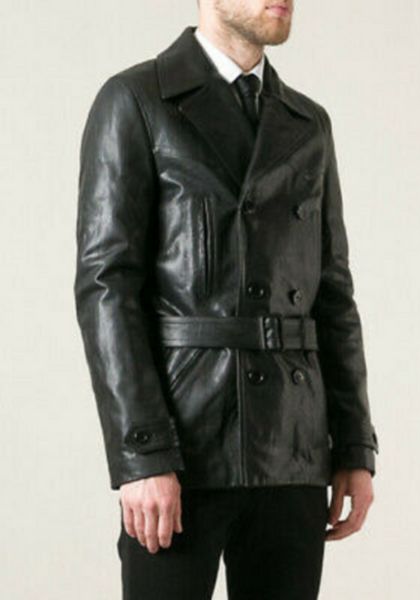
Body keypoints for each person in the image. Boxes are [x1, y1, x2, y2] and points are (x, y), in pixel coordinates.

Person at [74, 1, 379, 598]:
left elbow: (333, 295)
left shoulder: (307, 123)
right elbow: (107, 287)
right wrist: (144, 454)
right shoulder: (137, 101)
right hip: (183, 447)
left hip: (292, 448)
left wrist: (353, 445)